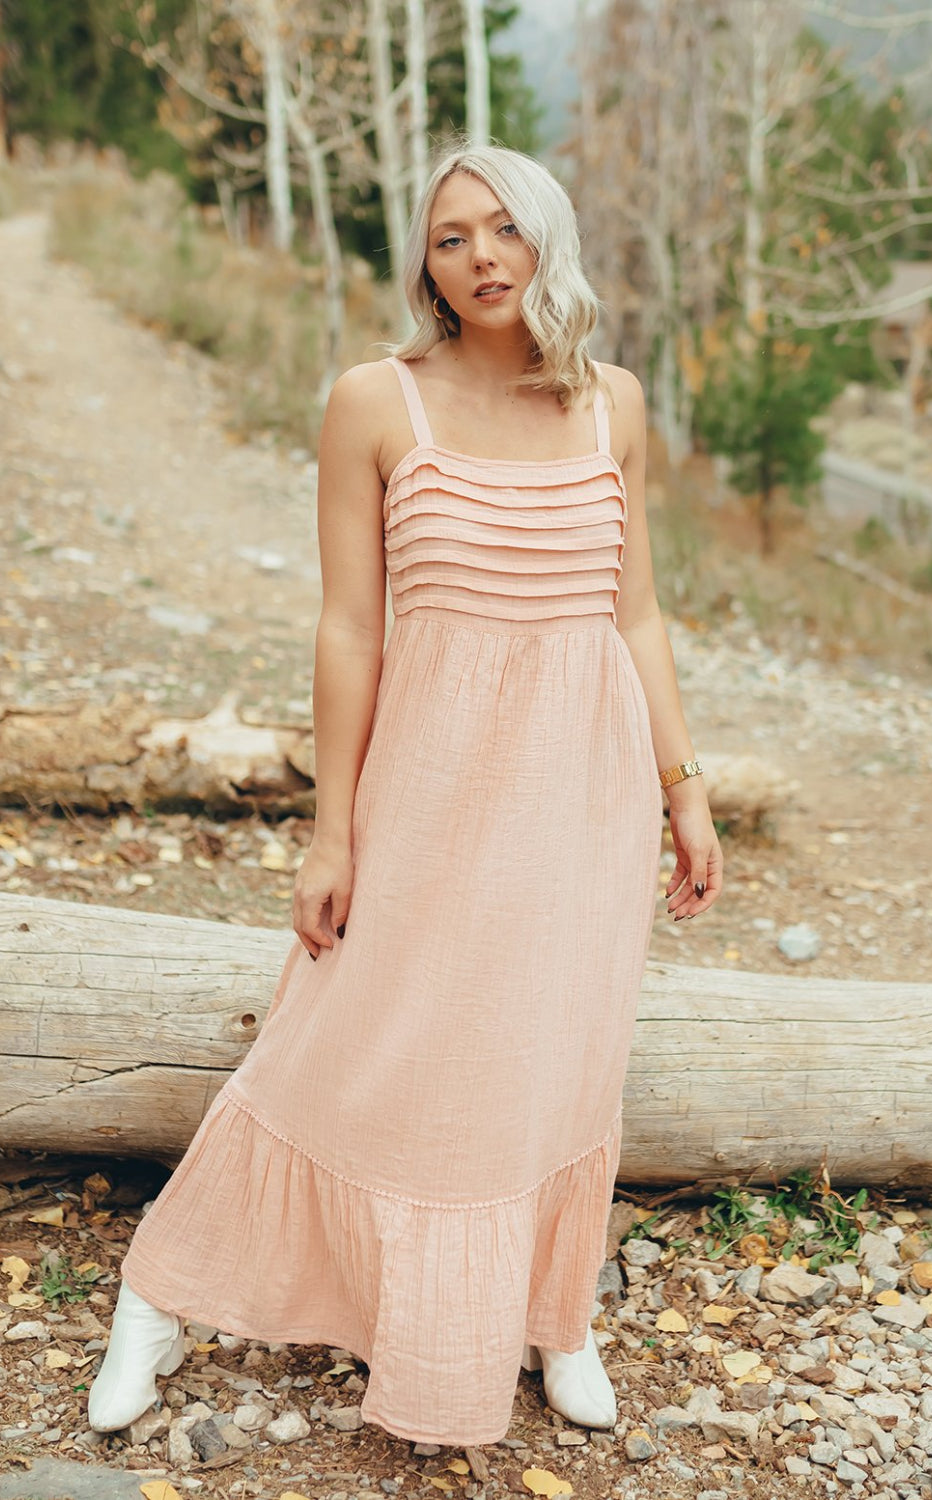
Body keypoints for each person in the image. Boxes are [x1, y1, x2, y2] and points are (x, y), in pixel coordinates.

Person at [88, 140, 723, 1449]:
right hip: (433, 784)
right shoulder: (379, 401)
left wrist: (685, 786)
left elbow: (640, 611)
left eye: (504, 228)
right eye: (451, 237)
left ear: (548, 237)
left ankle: (557, 1315)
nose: (483, 255)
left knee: (559, 1046)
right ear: (424, 263)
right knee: (346, 1033)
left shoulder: (616, 403)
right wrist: (334, 828)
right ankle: (161, 1293)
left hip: (583, 792)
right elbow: (350, 633)